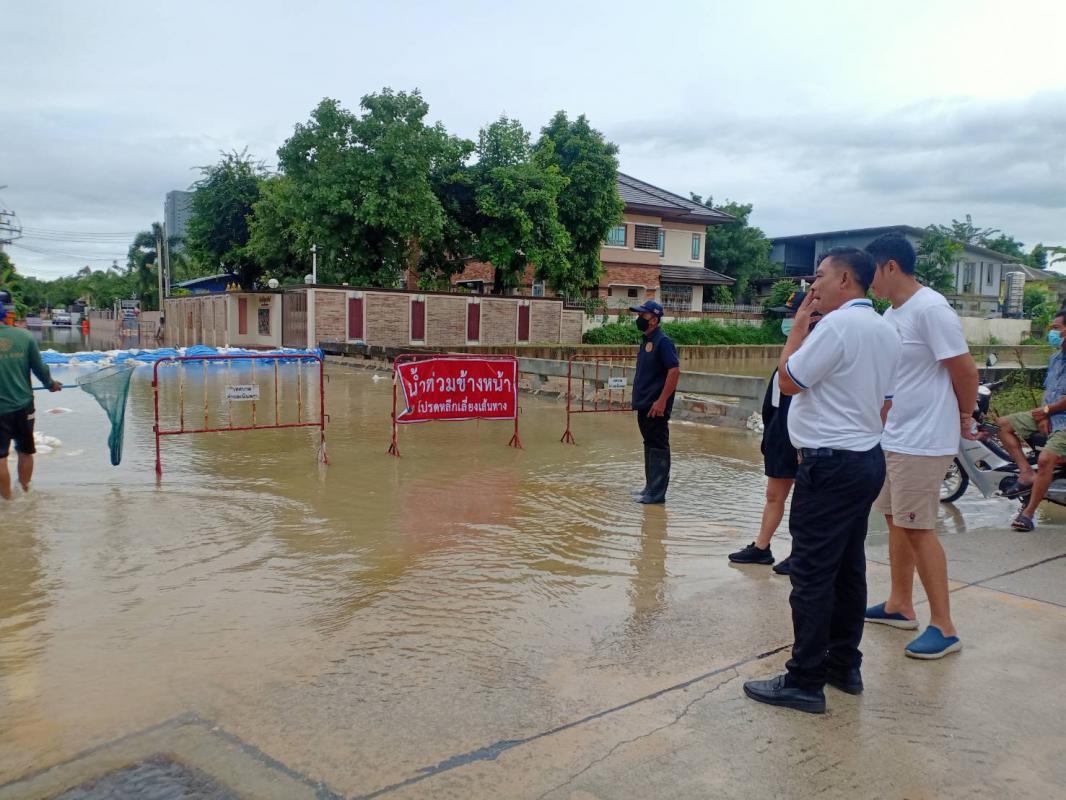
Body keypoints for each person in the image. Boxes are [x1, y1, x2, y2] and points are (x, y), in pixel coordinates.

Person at [743, 248, 900, 714]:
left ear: (845, 279)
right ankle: (843, 665)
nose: (814, 286)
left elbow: (789, 381)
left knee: (811, 573)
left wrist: (797, 329)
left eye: (820, 277)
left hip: (829, 465)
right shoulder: (884, 329)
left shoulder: (836, 326)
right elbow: (885, 404)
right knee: (849, 568)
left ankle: (804, 680)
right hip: (865, 459)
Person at [864, 233, 978, 659]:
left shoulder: (931, 309)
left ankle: (944, 627)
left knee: (916, 526)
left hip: (923, 439)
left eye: (872, 272)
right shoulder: (892, 313)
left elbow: (964, 371)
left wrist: (964, 417)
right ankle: (899, 604)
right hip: (895, 435)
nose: (869, 281)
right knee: (895, 520)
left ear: (890, 267)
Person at [729, 292, 816, 575]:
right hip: (780, 433)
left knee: (804, 500)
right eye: (786, 316)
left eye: (791, 315)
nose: (787, 321)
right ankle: (761, 547)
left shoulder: (818, 353)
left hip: (804, 437)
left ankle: (800, 553)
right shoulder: (790, 351)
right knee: (773, 495)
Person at [996, 310, 1066, 532]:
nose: (1052, 332)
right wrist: (1045, 414)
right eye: (1052, 328)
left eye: (1057, 328)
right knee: (1002, 424)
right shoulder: (1055, 358)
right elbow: (1050, 390)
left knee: (1045, 459)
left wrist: (1046, 411)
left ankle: (1028, 514)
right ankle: (1026, 472)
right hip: (1050, 413)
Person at [0, 290, 62, 500]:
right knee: (25, 451)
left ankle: (6, 502)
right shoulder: (24, 337)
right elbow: (40, 369)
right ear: (7, 313)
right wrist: (51, 384)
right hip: (23, 405)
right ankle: (25, 493)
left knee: (0, 457)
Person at [629, 300, 680, 505]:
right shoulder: (646, 341)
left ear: (654, 319)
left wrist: (661, 401)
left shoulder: (663, 342)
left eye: (643, 315)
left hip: (656, 407)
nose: (639, 318)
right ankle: (650, 488)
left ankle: (657, 494)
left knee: (658, 446)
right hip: (644, 404)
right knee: (649, 444)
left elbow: (674, 371)